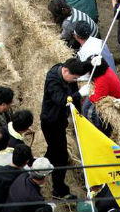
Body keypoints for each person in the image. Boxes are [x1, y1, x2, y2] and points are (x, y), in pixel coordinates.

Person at [40, 59, 87, 200]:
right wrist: (79, 95)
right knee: (61, 157)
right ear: (65, 71)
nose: (75, 81)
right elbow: (61, 101)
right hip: (51, 123)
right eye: (74, 78)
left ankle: (39, 167)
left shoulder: (65, 70)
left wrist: (91, 63)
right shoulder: (53, 82)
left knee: (53, 150)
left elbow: (79, 67)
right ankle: (59, 190)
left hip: (58, 121)